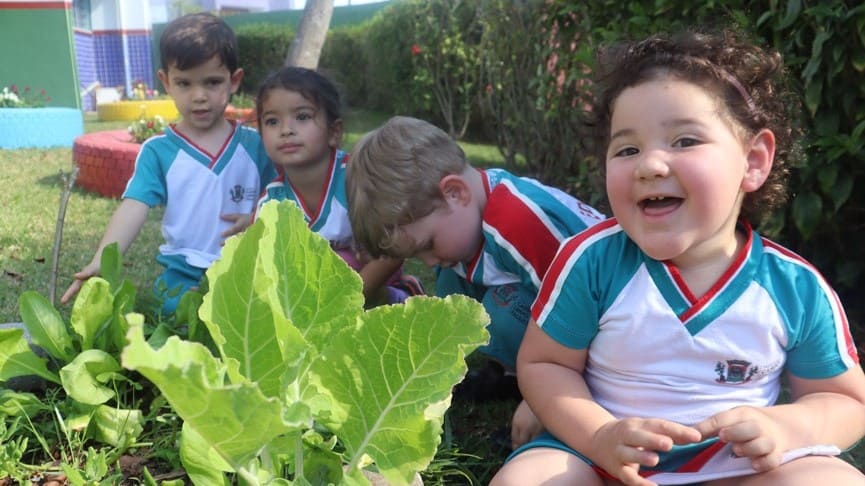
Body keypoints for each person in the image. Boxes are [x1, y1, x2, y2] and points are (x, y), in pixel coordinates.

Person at [491, 29, 865, 486]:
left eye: (685, 141)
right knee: (529, 479)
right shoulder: (592, 262)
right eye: (627, 149)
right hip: (602, 462)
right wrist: (600, 434)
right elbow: (545, 364)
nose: (650, 164)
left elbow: (846, 400)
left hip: (735, 470)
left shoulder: (795, 288)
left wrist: (787, 427)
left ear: (753, 160)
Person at [345, 115, 605, 449]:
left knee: (504, 314)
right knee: (452, 286)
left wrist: (548, 398)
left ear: (455, 193)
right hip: (563, 303)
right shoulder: (469, 220)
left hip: (600, 316)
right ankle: (509, 376)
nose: (427, 260)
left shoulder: (517, 220)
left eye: (427, 245)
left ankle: (554, 391)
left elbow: (579, 307)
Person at [62, 13, 276, 314]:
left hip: (249, 266)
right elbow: (134, 207)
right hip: (182, 271)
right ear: (166, 82)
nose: (198, 96)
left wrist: (257, 215)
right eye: (184, 83)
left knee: (258, 321)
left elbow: (284, 196)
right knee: (170, 317)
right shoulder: (158, 151)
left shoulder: (258, 146)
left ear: (234, 81)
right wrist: (102, 260)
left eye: (212, 82)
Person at [253, 67, 424, 307]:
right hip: (316, 299)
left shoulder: (359, 178)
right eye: (272, 121)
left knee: (342, 262)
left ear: (334, 132)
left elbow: (399, 243)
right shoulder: (272, 203)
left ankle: (401, 295)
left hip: (371, 281)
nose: (286, 130)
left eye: (302, 117)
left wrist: (348, 300)